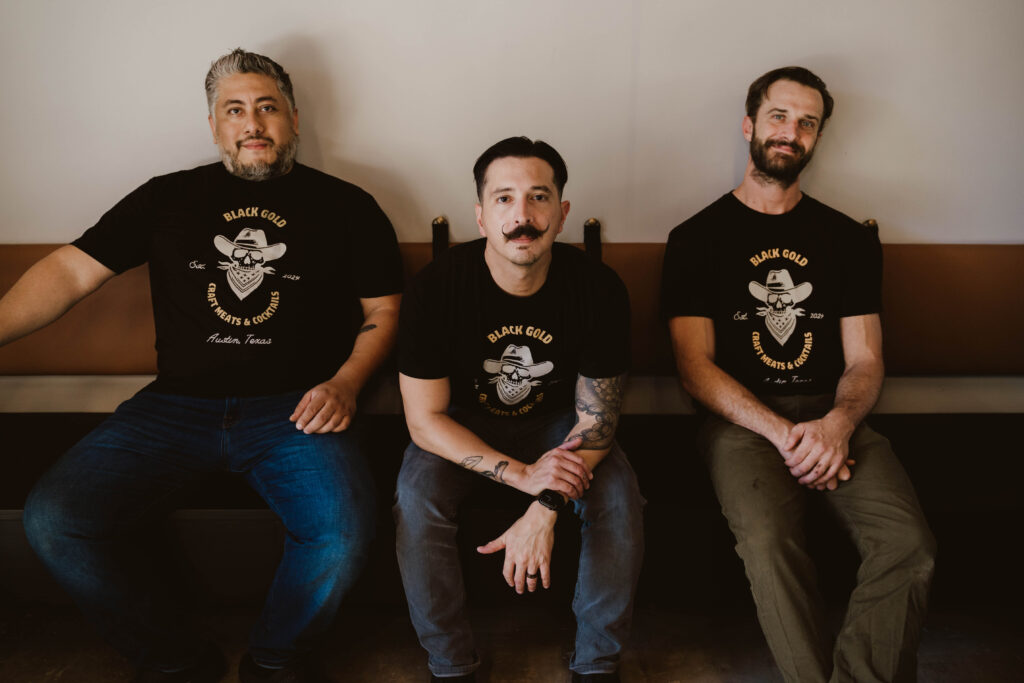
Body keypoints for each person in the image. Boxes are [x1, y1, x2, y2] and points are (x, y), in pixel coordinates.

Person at [6, 49, 403, 683]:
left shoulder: (348, 206)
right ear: (214, 126)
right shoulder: (168, 198)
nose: (253, 122)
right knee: (56, 519)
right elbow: (70, 270)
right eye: (235, 109)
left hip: (295, 410)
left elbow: (384, 308)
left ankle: (277, 657)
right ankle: (173, 661)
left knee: (344, 531)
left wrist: (347, 382)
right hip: (173, 408)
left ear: (294, 120)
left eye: (267, 107)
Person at [661, 66, 936, 682]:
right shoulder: (695, 238)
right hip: (739, 422)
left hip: (837, 415)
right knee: (768, 545)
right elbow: (694, 369)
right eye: (779, 117)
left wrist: (835, 425)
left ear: (816, 138)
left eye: (807, 123)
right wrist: (786, 434)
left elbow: (865, 360)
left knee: (908, 546)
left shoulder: (849, 239)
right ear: (749, 126)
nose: (791, 132)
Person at [394, 136, 644, 682]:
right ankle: (451, 664)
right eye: (504, 199)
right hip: (460, 423)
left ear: (562, 213)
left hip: (562, 427)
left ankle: (597, 664)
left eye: (538, 197)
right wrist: (522, 476)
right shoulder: (437, 289)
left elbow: (595, 425)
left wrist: (545, 504)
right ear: (481, 216)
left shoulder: (598, 289)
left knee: (620, 498)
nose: (522, 216)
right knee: (416, 497)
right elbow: (424, 421)